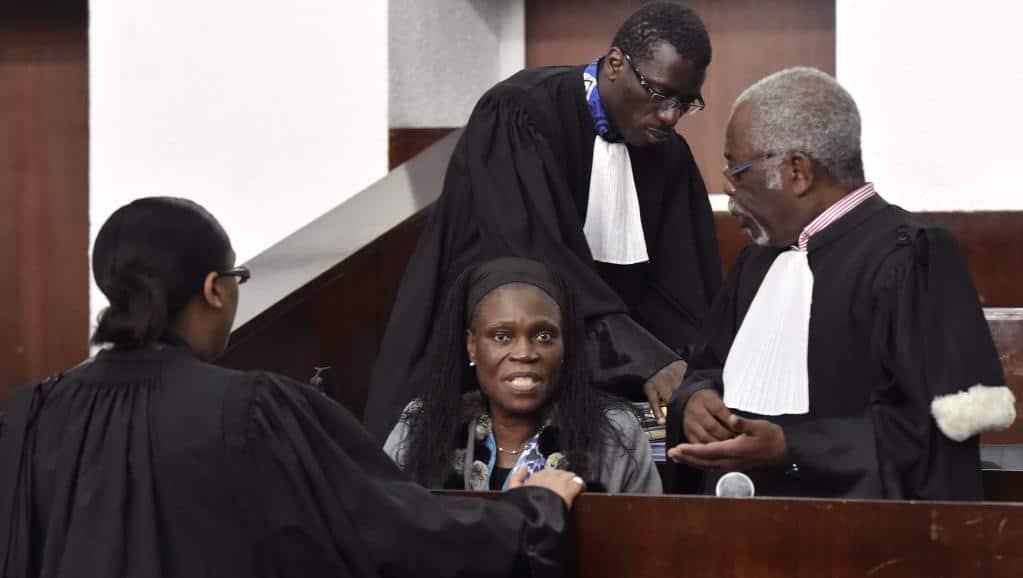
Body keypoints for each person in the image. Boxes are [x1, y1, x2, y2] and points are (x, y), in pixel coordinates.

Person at [0, 197, 584, 578]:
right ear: (213, 289)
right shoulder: (253, 410)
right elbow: (391, 530)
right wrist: (534, 511)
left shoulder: (31, 414)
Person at [363, 1, 722, 442]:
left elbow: (683, 292)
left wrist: (688, 375)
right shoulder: (519, 113)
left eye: (686, 102)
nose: (670, 116)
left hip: (603, 381)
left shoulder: (667, 155)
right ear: (614, 64)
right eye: (658, 93)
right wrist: (642, 358)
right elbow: (534, 262)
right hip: (495, 362)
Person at [664, 67, 1015, 500]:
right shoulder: (756, 261)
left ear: (797, 172)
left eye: (739, 169)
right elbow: (706, 367)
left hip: (855, 544)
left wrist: (792, 448)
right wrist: (696, 402)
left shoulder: (912, 258)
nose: (727, 186)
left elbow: (929, 434)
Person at [384, 257, 662, 494]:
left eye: (544, 335)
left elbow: (643, 545)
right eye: (502, 336)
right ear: (472, 347)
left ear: (565, 345)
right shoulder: (422, 425)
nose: (525, 353)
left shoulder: (614, 434)